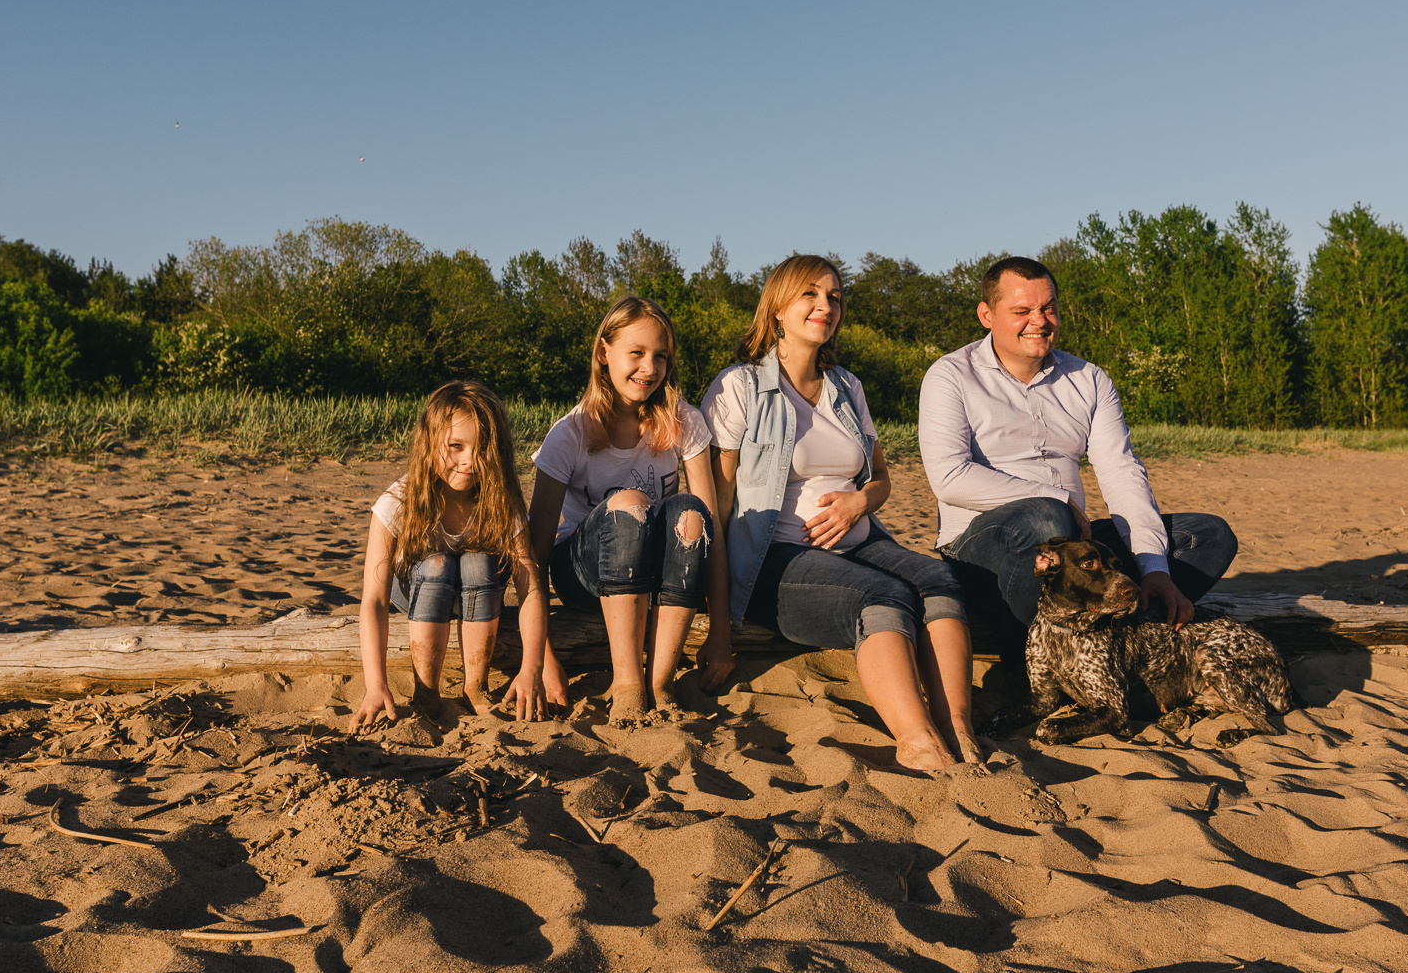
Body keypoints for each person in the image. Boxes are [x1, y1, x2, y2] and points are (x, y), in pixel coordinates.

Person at [703, 255, 976, 770]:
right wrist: (720, 628)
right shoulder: (738, 387)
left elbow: (881, 480)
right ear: (777, 308)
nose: (825, 306)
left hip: (863, 540)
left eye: (834, 297)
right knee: (885, 595)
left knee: (939, 578)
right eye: (810, 294)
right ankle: (917, 740)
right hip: (775, 559)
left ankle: (958, 728)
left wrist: (858, 503)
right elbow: (718, 514)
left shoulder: (847, 388)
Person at [918, 256, 1239, 682]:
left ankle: (1117, 644)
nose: (1040, 320)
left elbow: (1121, 471)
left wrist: (1154, 569)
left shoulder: (1089, 379)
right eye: (1022, 311)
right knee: (1044, 516)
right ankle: (1028, 672)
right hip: (982, 553)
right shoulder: (950, 376)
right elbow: (949, 477)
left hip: (1074, 552)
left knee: (1209, 536)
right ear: (986, 315)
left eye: (1048, 308)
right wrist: (1056, 499)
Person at [529, 296, 734, 724]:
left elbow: (710, 527)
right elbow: (534, 550)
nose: (649, 368)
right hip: (584, 575)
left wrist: (720, 632)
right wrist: (540, 658)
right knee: (629, 505)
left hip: (654, 575)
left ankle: (660, 681)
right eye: (636, 353)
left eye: (660, 356)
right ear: (604, 352)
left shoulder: (683, 419)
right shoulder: (570, 434)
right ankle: (626, 681)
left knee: (692, 513)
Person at [351, 380, 553, 732]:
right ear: (429, 444)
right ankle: (426, 692)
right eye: (455, 446)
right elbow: (374, 601)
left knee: (478, 561)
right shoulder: (397, 502)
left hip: (480, 595)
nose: (470, 460)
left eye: (482, 448)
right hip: (417, 591)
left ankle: (476, 686)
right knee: (438, 564)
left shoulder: (501, 502)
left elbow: (531, 588)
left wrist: (532, 668)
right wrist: (375, 684)